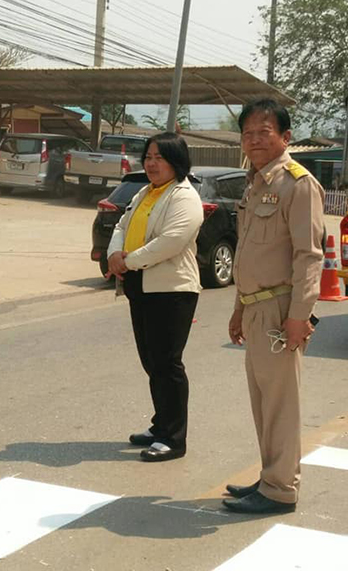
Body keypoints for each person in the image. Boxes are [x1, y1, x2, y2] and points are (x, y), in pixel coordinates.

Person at [224, 99, 325, 514]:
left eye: (263, 132)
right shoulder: (255, 184)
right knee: (264, 403)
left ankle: (280, 489)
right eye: (247, 133)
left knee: (281, 404)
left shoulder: (298, 184)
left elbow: (309, 256)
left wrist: (298, 316)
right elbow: (249, 253)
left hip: (280, 310)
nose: (254, 140)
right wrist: (238, 308)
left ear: (285, 137)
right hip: (255, 307)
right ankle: (270, 477)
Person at [107, 132, 204, 463]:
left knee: (167, 363)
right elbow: (121, 225)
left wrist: (128, 261)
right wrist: (114, 254)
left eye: (159, 158)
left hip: (171, 291)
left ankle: (173, 438)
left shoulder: (184, 197)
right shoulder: (146, 192)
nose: (151, 163)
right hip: (141, 286)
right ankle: (161, 424)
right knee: (152, 361)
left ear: (176, 161)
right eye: (148, 157)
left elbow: (171, 241)